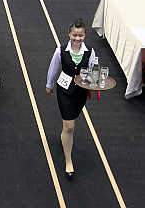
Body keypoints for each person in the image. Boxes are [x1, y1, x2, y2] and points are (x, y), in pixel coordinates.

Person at [45, 18, 97, 179]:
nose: (77, 38)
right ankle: (69, 160)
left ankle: (64, 137)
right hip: (64, 90)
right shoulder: (60, 50)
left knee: (68, 125)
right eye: (74, 35)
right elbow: (53, 68)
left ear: (84, 36)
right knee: (69, 126)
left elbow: (93, 69)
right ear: (69, 34)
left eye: (80, 36)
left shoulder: (90, 51)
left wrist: (94, 79)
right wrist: (49, 84)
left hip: (80, 92)